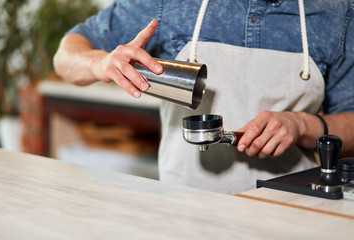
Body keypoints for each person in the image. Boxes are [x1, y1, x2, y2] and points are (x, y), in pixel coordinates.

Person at [54, 0, 354, 194]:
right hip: (184, 211)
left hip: (294, 210)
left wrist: (301, 125)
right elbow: (66, 54)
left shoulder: (337, 13)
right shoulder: (168, 4)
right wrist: (99, 63)